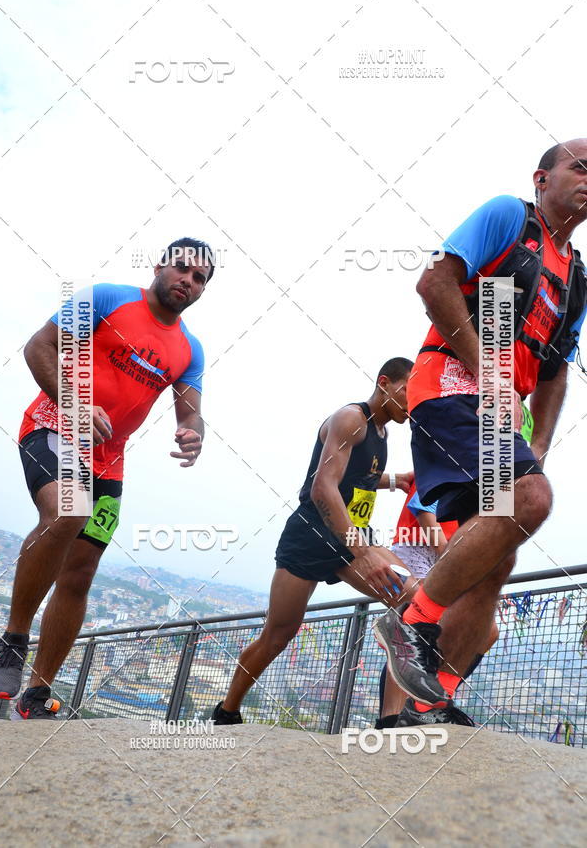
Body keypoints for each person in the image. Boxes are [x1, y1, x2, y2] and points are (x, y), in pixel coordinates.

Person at [374, 141, 587, 710]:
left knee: (496, 563)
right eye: (580, 166)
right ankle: (410, 621)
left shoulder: (577, 278)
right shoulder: (509, 218)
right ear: (542, 178)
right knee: (532, 497)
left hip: (497, 415)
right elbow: (434, 284)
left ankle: (426, 701)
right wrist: (483, 364)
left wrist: (538, 441)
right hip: (449, 386)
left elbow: (554, 371)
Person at [0, 239, 212, 719]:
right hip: (54, 425)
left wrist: (193, 434)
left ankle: (37, 693)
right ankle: (12, 642)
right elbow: (38, 347)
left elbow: (191, 415)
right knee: (68, 511)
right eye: (183, 270)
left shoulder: (189, 349)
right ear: (159, 266)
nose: (188, 282)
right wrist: (74, 402)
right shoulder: (108, 297)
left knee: (81, 572)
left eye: (200, 279)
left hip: (109, 461)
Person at [212, 358, 415, 725]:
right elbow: (323, 485)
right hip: (311, 535)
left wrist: (394, 479)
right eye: (408, 390)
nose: (413, 401)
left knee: (412, 599)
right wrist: (364, 553)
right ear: (385, 383)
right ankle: (227, 711)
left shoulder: (384, 434)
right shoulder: (351, 419)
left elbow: (358, 478)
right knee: (278, 635)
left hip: (351, 536)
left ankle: (391, 720)